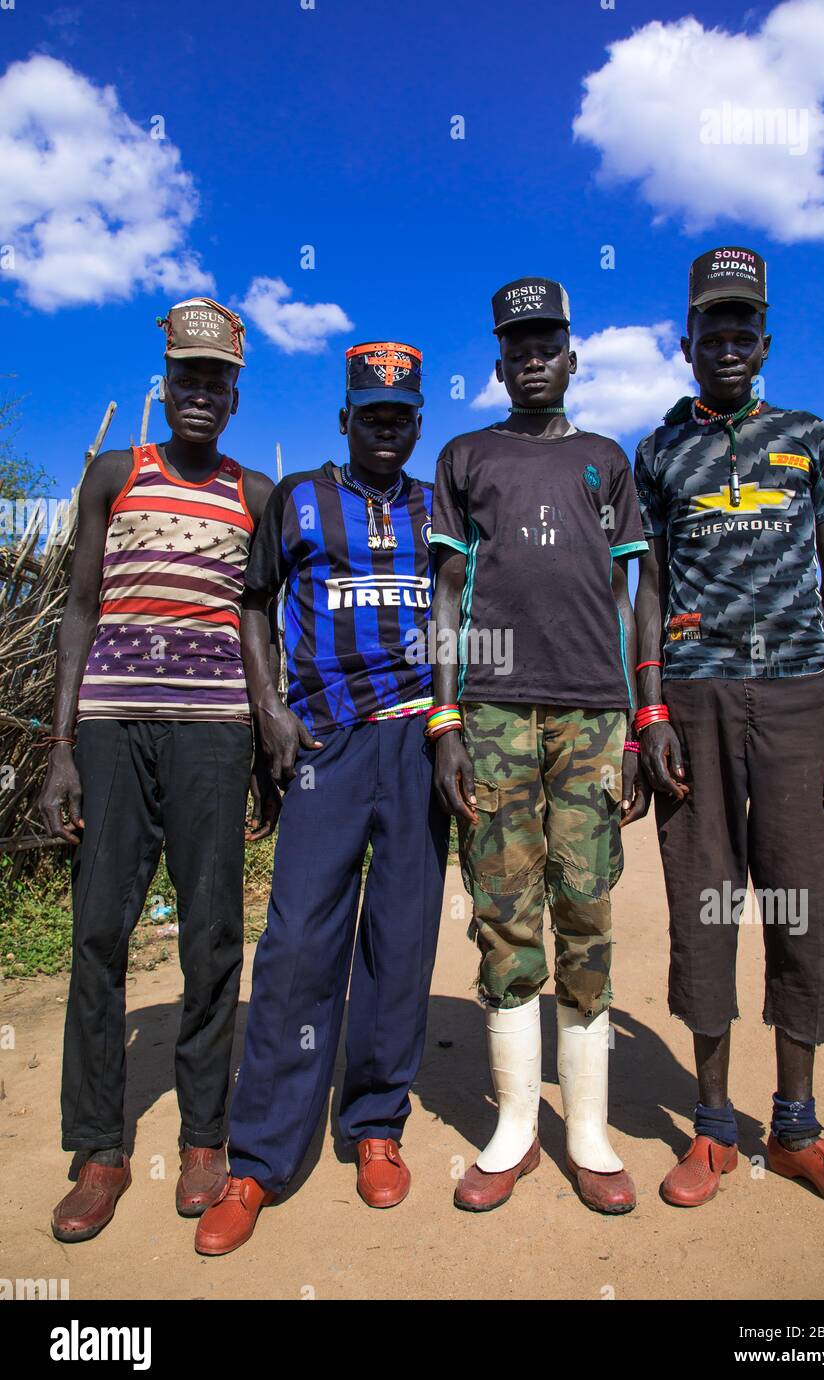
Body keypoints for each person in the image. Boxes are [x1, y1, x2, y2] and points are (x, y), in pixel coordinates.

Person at [630, 247, 824, 1212]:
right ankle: (711, 1130)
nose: (726, 344)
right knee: (706, 906)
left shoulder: (809, 439)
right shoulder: (658, 454)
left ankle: (795, 1127)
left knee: (802, 907)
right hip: (692, 700)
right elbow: (648, 588)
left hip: (799, 696)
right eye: (711, 330)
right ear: (684, 340)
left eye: (743, 330)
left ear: (763, 342)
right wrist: (647, 710)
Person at [195, 341, 449, 1256]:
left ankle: (375, 1123)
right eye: (372, 413)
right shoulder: (297, 497)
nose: (388, 427)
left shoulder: (437, 505)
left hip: (420, 738)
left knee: (401, 934)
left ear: (417, 422)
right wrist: (267, 709)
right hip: (323, 742)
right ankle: (259, 1156)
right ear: (344, 418)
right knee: (300, 939)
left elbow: (467, 611)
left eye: (402, 415)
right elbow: (253, 605)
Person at [38, 298, 279, 1243]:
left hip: (214, 734)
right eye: (187, 375)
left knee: (213, 935)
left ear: (235, 391)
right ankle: (99, 1149)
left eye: (217, 379)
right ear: (165, 381)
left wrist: (264, 746)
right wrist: (59, 750)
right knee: (99, 932)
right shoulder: (113, 473)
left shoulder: (252, 494)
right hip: (109, 730)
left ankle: (204, 1140)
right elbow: (75, 612)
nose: (201, 393)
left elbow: (260, 626)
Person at [430, 278, 647, 1215]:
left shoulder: (607, 460)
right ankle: (515, 1124)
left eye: (546, 342)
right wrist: (444, 723)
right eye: (515, 344)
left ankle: (587, 1130)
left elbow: (634, 606)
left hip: (596, 713)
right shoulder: (465, 455)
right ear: (498, 362)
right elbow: (445, 596)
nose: (531, 357)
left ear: (570, 357)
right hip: (492, 712)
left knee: (587, 909)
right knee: (505, 911)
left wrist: (643, 722)